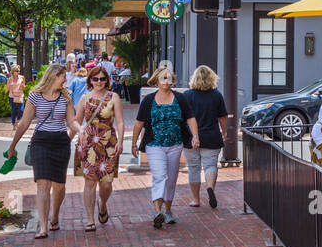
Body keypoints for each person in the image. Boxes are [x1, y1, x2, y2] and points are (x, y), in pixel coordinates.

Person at [6, 64, 79, 239]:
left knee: (59, 186)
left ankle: (54, 216)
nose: (65, 80)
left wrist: (80, 129)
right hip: (41, 142)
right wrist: (12, 146)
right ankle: (44, 227)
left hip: (61, 141)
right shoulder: (35, 96)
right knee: (43, 184)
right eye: (63, 76)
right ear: (54, 76)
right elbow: (24, 123)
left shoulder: (66, 97)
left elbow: (71, 121)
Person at [130, 67, 200, 228]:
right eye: (163, 78)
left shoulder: (180, 98)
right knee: (160, 176)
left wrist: (195, 136)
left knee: (171, 179)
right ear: (156, 80)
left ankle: (167, 211)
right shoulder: (148, 100)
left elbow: (190, 118)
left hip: (175, 144)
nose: (167, 81)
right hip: (154, 145)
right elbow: (138, 122)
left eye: (169, 78)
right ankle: (157, 212)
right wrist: (133, 143)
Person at [74, 64, 125, 230]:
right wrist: (79, 132)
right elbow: (76, 120)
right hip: (88, 143)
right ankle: (90, 220)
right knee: (90, 182)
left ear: (107, 80)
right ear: (90, 80)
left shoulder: (113, 97)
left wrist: (121, 141)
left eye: (102, 79)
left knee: (106, 184)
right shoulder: (84, 98)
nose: (99, 82)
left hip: (108, 143)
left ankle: (102, 203)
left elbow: (120, 121)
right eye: (95, 78)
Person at [183, 65, 228, 209]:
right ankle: (210, 188)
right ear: (212, 78)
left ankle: (196, 200)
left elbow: (182, 118)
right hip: (211, 136)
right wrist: (224, 132)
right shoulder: (216, 95)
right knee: (210, 165)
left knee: (194, 168)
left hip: (191, 138)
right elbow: (223, 117)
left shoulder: (187, 95)